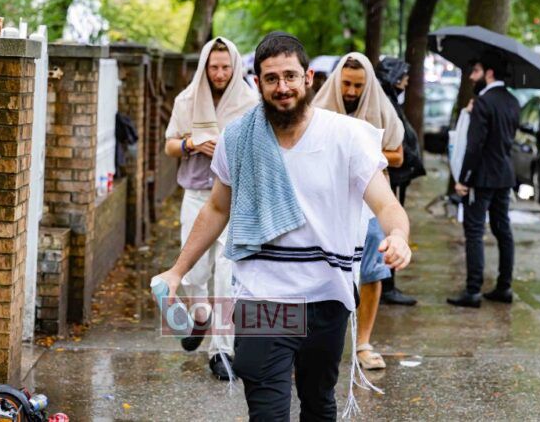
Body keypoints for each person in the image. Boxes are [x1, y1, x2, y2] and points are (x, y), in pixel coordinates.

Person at [156, 32, 412, 420]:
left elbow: (386, 202)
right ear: (257, 83)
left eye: (290, 76)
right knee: (267, 413)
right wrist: (177, 271)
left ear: (308, 78)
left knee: (318, 403)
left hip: (326, 297)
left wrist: (398, 235)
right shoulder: (238, 137)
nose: (282, 87)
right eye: (271, 78)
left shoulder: (345, 136)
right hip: (262, 298)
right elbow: (216, 208)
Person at [164, 36, 258, 378]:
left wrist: (228, 149)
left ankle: (222, 351)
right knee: (192, 271)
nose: (219, 74)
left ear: (236, 67)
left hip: (234, 196)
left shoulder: (251, 102)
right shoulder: (186, 99)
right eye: (214, 67)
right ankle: (200, 316)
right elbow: (170, 145)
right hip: (196, 192)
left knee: (226, 271)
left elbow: (260, 147)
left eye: (225, 67)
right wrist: (192, 144)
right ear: (204, 67)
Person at [312, 52, 405, 370]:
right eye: (347, 84)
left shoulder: (382, 109)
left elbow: (398, 155)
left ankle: (363, 342)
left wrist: (363, 151)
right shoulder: (319, 110)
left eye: (358, 86)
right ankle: (315, 341)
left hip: (372, 201)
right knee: (319, 269)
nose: (351, 91)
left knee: (372, 271)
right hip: (330, 201)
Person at [447, 49, 520, 308]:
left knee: (474, 231)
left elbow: (474, 146)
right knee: (503, 230)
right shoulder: (512, 101)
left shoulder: (484, 103)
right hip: (504, 175)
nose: (471, 77)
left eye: (476, 71)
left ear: (489, 73)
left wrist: (464, 179)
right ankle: (504, 286)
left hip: (482, 177)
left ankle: (473, 290)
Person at [376, 57, 426, 306]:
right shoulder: (386, 105)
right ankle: (386, 284)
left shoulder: (389, 103)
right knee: (386, 231)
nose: (406, 83)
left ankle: (387, 283)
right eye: (403, 78)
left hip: (396, 177)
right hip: (389, 178)